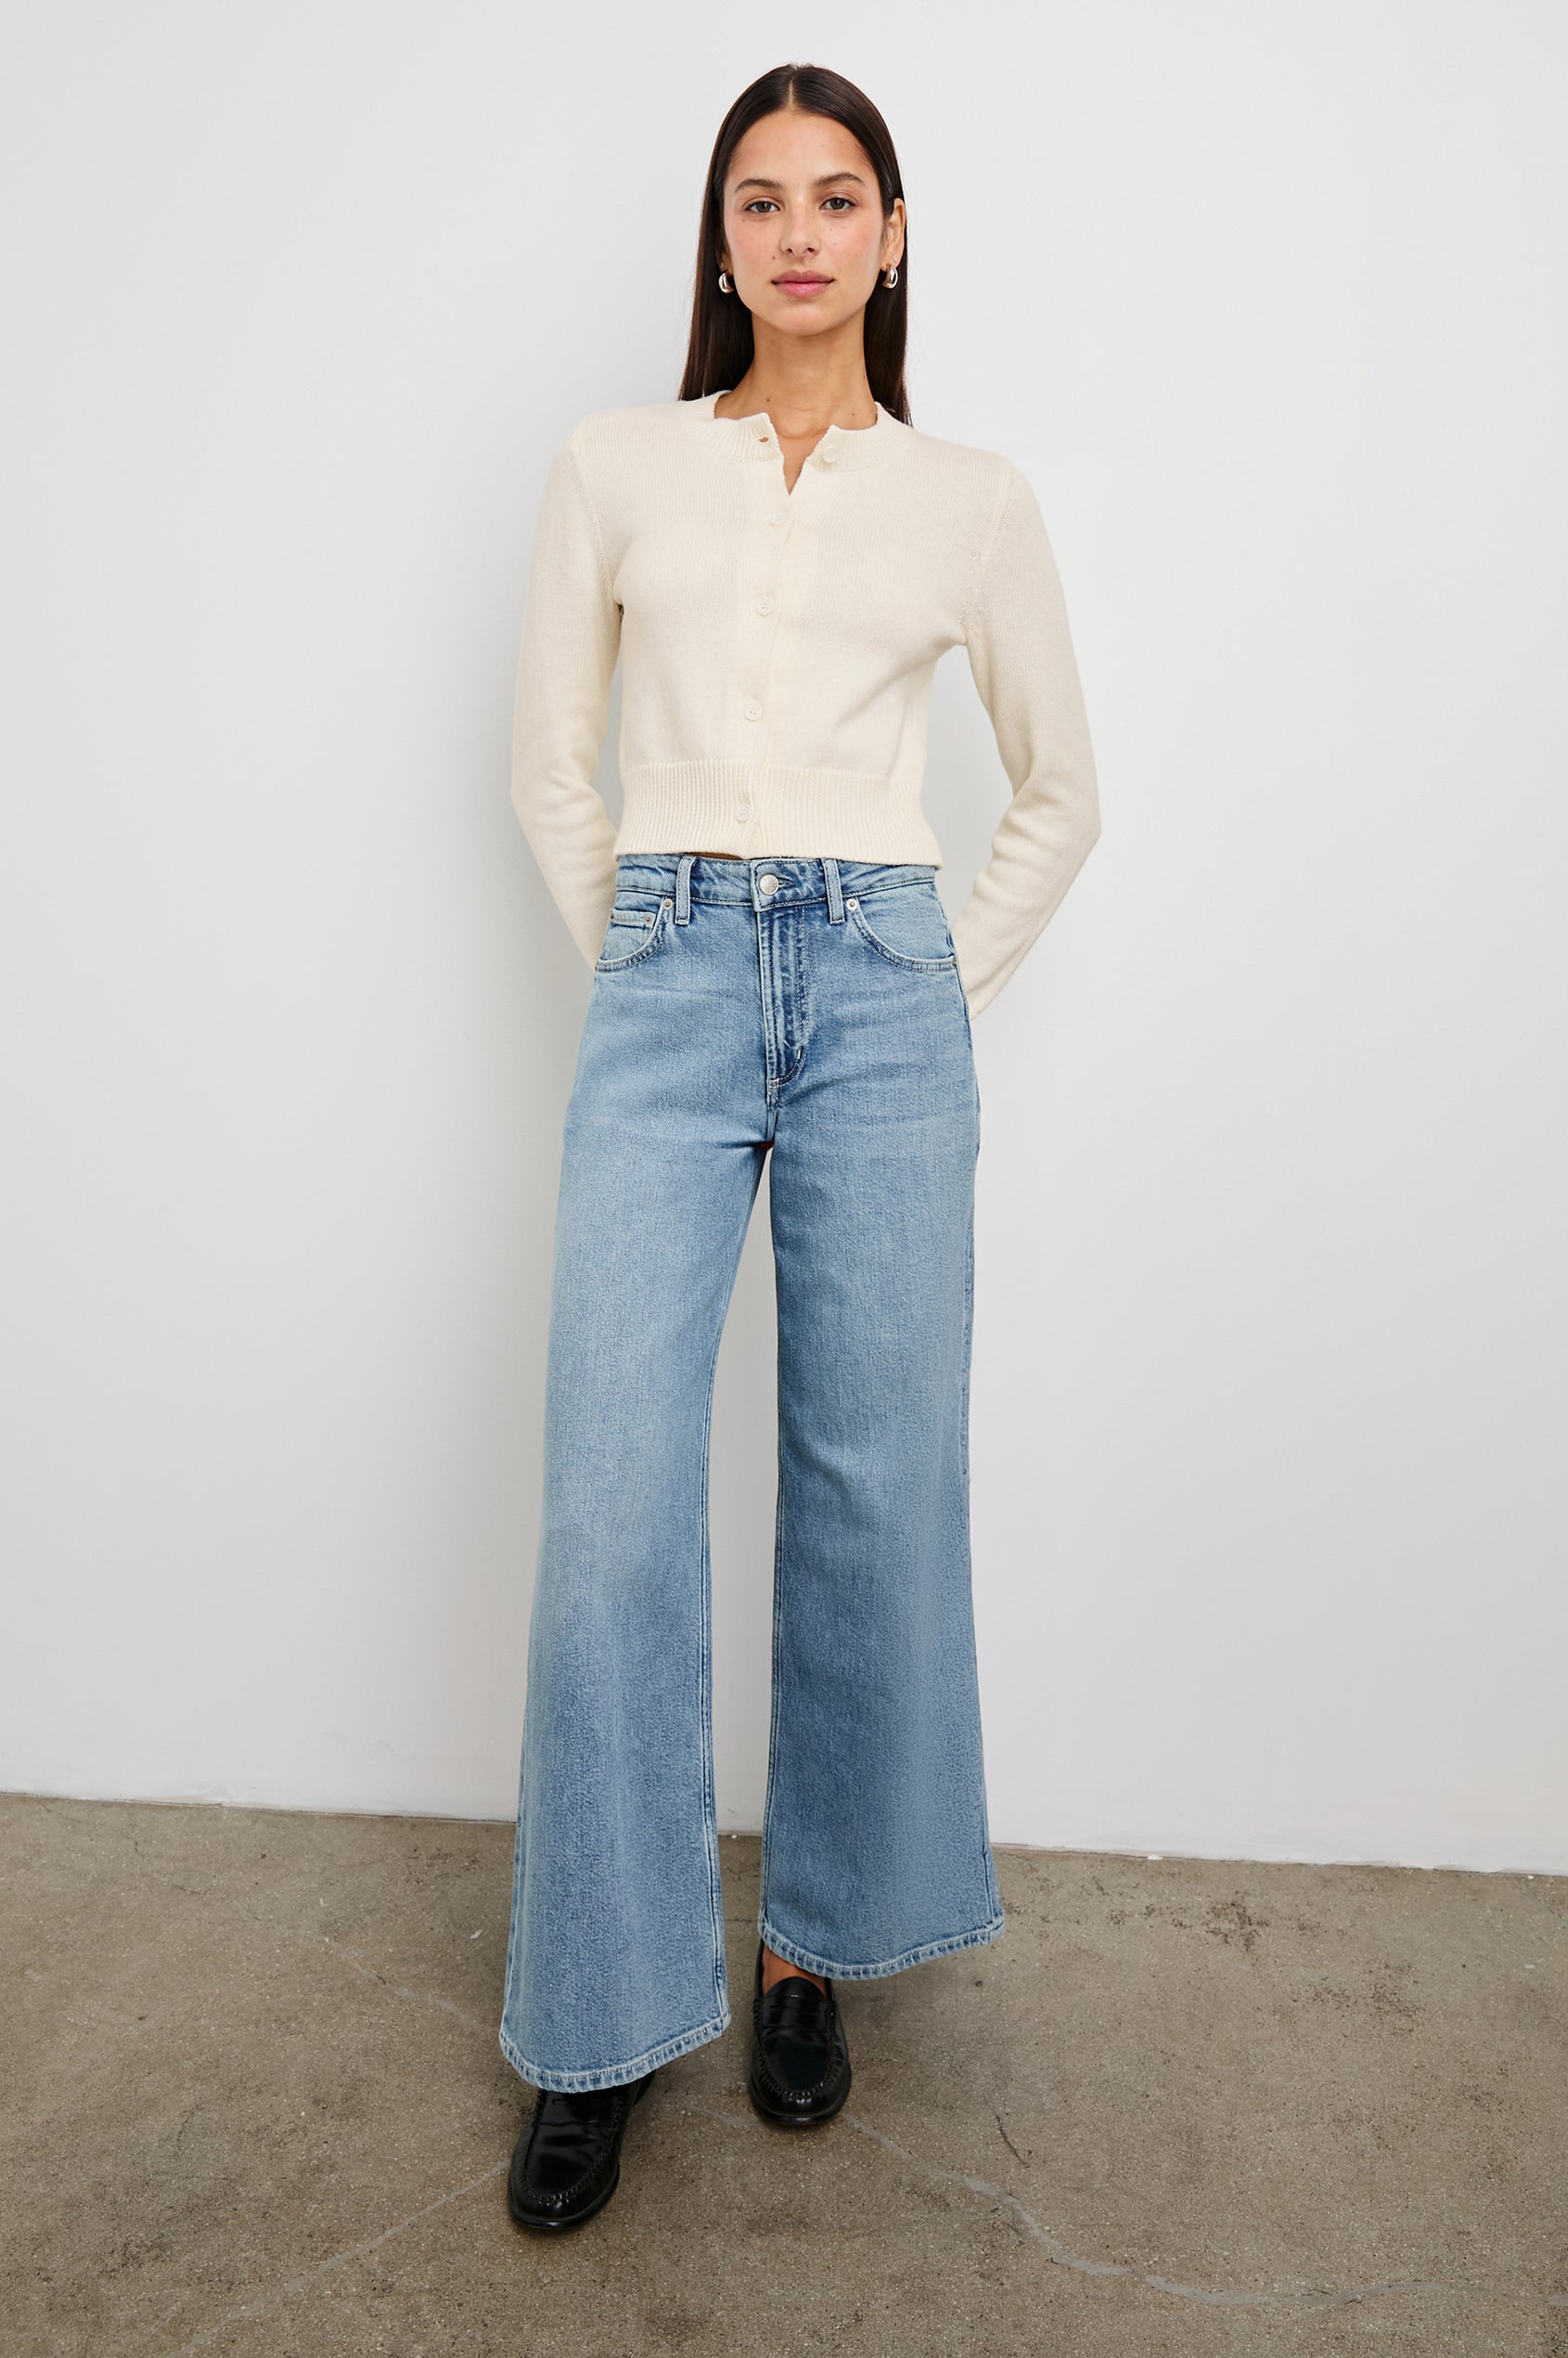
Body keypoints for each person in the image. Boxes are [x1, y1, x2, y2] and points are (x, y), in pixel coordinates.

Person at [500, 60, 1099, 2233]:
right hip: (667, 969)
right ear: (720, 237)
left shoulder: (967, 496)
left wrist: (927, 975)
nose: (798, 234)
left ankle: (806, 1946)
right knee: (610, 1512)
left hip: (874, 982)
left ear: (894, 230)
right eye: (759, 198)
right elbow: (548, 760)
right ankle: (598, 2018)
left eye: (837, 197)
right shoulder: (615, 463)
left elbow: (1058, 790)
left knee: (869, 1484)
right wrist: (642, 949)